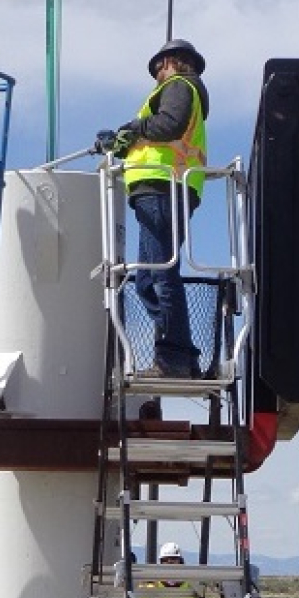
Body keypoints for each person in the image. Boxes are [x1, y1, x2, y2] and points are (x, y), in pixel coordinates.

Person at [101, 39, 209, 379]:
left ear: (174, 62)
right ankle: (183, 354)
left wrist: (130, 129)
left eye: (161, 67)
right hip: (161, 187)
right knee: (146, 279)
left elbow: (168, 126)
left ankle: (173, 359)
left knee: (161, 274)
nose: (158, 74)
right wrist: (120, 143)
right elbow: (154, 137)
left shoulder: (179, 86)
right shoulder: (179, 90)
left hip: (164, 186)